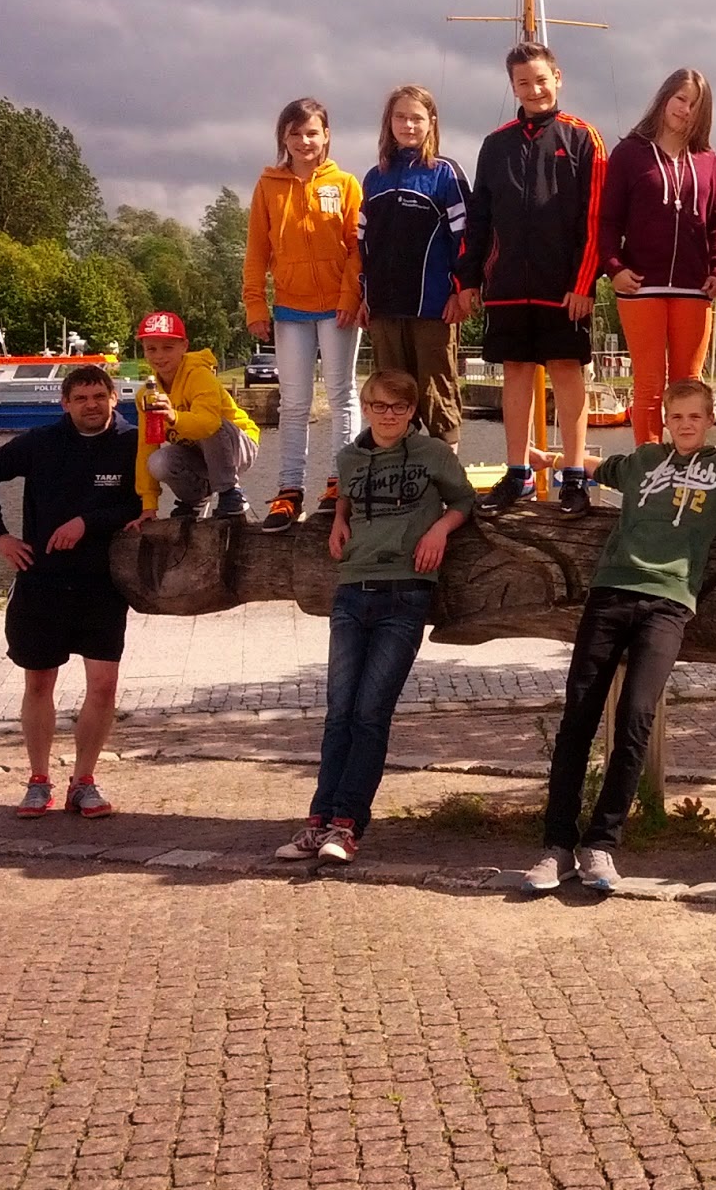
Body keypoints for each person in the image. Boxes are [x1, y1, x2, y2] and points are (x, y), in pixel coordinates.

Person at [529, 378, 716, 894]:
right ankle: (557, 846)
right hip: (611, 592)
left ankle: (601, 844)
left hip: (669, 603)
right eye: (677, 416)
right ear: (665, 421)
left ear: (710, 420)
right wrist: (549, 460)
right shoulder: (643, 460)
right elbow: (595, 466)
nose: (686, 424)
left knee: (636, 716)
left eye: (695, 416)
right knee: (578, 717)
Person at [274, 369, 478, 864]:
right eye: (380, 406)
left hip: (405, 593)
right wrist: (339, 519)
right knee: (338, 711)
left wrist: (440, 531)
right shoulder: (349, 456)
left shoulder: (432, 454)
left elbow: (465, 499)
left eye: (400, 407)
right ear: (365, 408)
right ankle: (318, 820)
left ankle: (347, 824)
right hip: (351, 591)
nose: (389, 415)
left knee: (370, 713)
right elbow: (346, 491)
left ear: (412, 412)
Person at [0, 364, 141, 819]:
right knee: (39, 682)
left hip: (102, 584)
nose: (90, 405)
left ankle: (84, 782)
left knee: (104, 685)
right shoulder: (42, 442)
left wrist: (87, 523)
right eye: (80, 398)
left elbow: (141, 503)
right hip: (41, 581)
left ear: (113, 397)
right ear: (65, 403)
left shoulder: (132, 443)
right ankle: (38, 780)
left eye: (98, 396)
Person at [457, 41, 608, 515]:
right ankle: (518, 471)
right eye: (524, 82)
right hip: (506, 284)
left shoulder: (582, 137)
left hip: (563, 286)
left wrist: (584, 283)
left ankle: (575, 475)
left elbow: (596, 219)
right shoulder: (495, 144)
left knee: (566, 371)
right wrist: (469, 279)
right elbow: (478, 218)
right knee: (517, 373)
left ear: (557, 78)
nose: (534, 89)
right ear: (513, 86)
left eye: (541, 79)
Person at [243, 97, 363, 532]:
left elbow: (357, 249)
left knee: (341, 394)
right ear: (283, 137)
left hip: (337, 308)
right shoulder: (268, 185)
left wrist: (350, 297)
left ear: (326, 135)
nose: (304, 141)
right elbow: (257, 250)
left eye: (312, 132)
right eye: (295, 133)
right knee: (294, 404)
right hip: (290, 308)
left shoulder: (345, 184)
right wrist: (255, 304)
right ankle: (289, 491)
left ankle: (340, 484)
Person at [599, 68, 716, 447]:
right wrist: (614, 268)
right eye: (681, 99)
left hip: (694, 288)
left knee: (688, 385)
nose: (685, 110)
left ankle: (687, 464)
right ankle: (648, 465)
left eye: (695, 105)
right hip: (641, 286)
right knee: (649, 386)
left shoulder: (707, 158)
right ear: (665, 98)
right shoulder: (629, 153)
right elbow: (608, 220)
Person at [359, 84, 471, 449]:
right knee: (390, 398)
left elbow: (466, 238)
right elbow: (363, 245)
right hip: (384, 309)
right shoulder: (374, 178)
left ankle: (447, 471)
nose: (408, 125)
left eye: (416, 118)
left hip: (433, 308)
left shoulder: (446, 173)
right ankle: (397, 472)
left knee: (436, 395)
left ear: (431, 122)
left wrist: (461, 291)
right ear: (389, 122)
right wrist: (364, 297)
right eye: (400, 117)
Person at [131, 310, 261, 521]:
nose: (159, 356)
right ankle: (195, 498)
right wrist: (149, 506)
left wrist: (174, 417)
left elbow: (209, 424)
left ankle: (230, 493)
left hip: (237, 445)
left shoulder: (200, 375)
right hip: (198, 452)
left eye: (168, 348)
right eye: (151, 349)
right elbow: (146, 447)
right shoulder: (146, 395)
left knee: (211, 425)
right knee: (157, 462)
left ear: (184, 346)